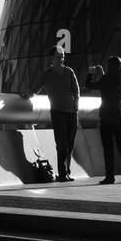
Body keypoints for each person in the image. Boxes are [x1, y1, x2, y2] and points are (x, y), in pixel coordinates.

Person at [34, 49, 79, 181]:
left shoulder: (69, 72)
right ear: (51, 59)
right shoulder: (46, 75)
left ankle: (66, 172)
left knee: (70, 145)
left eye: (63, 57)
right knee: (62, 145)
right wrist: (27, 94)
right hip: (58, 113)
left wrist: (76, 105)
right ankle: (63, 173)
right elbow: (35, 89)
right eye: (58, 57)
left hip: (72, 113)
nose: (61, 59)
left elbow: (76, 91)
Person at [86, 57, 121, 184]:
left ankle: (110, 176)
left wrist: (91, 73)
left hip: (107, 115)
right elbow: (110, 83)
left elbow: (89, 85)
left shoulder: (106, 79)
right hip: (119, 115)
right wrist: (102, 75)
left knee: (108, 147)